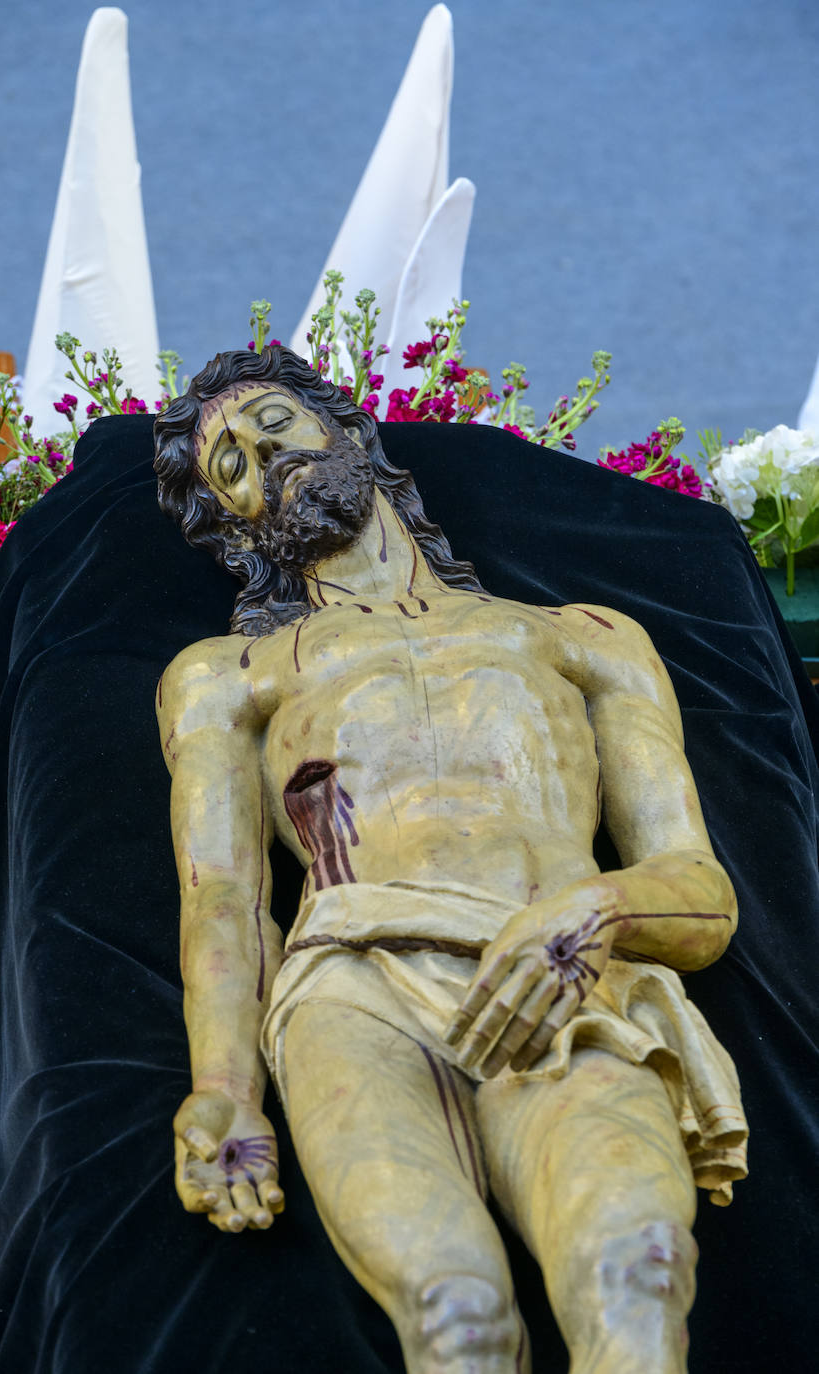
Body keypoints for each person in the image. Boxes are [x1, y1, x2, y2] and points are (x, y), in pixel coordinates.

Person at [152, 346, 747, 1374]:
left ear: (346, 429)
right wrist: (224, 1086)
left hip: (562, 969)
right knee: (456, 1313)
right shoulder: (228, 676)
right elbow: (223, 897)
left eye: (273, 423)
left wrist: (594, 914)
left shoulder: (586, 639)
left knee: (639, 1266)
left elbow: (700, 893)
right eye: (231, 465)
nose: (259, 453)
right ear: (232, 522)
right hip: (354, 990)